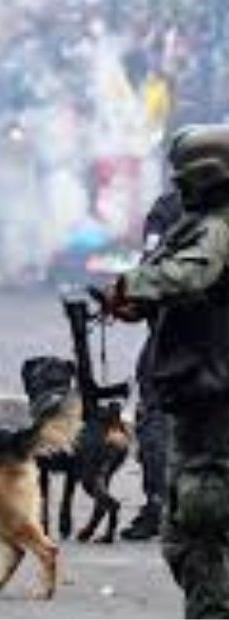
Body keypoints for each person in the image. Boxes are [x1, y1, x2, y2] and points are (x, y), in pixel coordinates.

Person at [102, 124, 229, 618]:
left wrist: (132, 284)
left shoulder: (218, 227)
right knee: (182, 531)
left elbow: (191, 273)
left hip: (214, 392)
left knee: (200, 521)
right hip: (195, 389)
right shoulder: (198, 222)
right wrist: (139, 303)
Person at [121, 189, 181, 541]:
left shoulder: (170, 207)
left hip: (174, 337)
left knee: (156, 419)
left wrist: (127, 298)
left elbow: (150, 275)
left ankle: (160, 503)